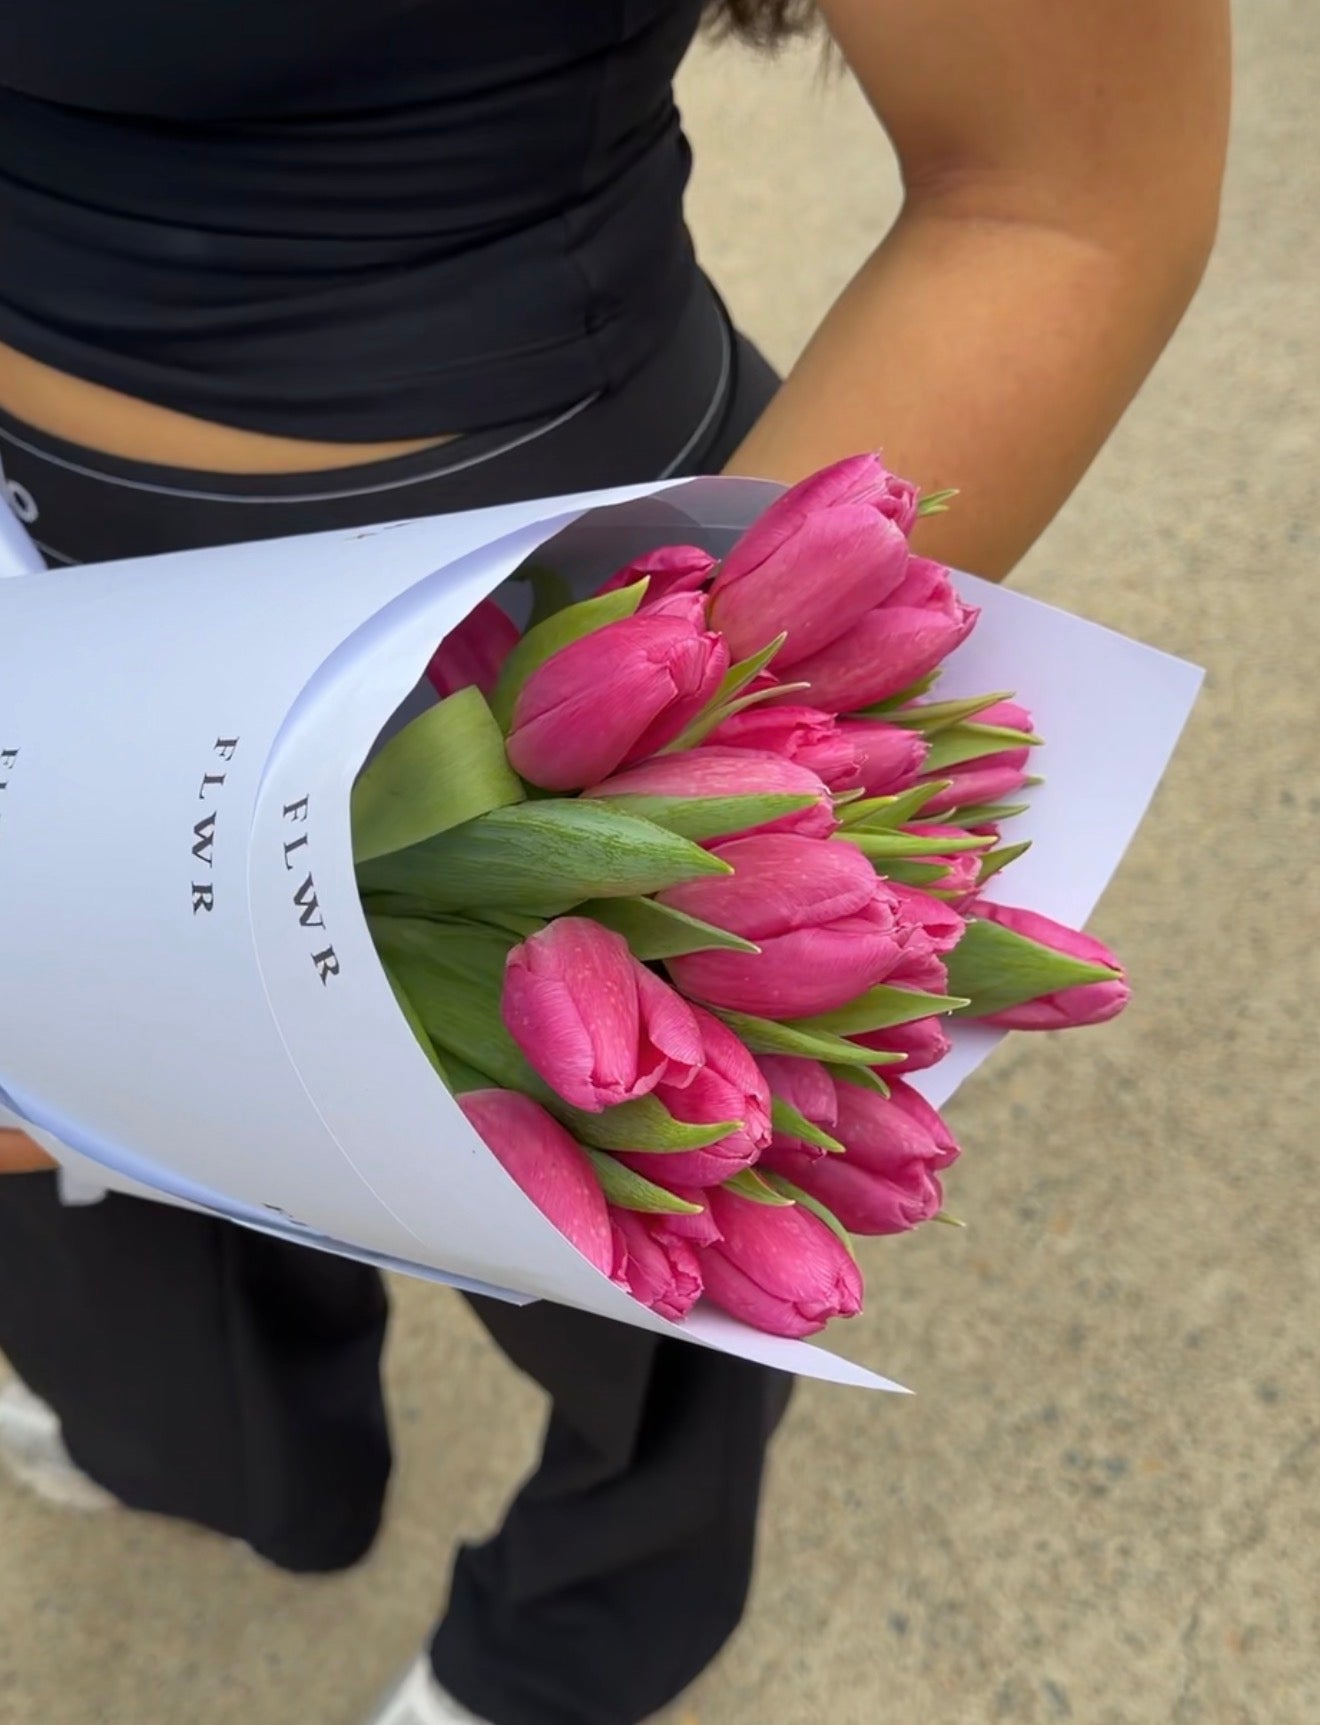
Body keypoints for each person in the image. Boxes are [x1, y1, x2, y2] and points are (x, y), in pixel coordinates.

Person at [0, 3, 1230, 1722]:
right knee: (85, 1212)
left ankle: (573, 1643)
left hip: (557, 616)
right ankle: (236, 1464)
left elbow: (1060, 195)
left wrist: (691, 782)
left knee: (633, 1286)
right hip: (31, 602)